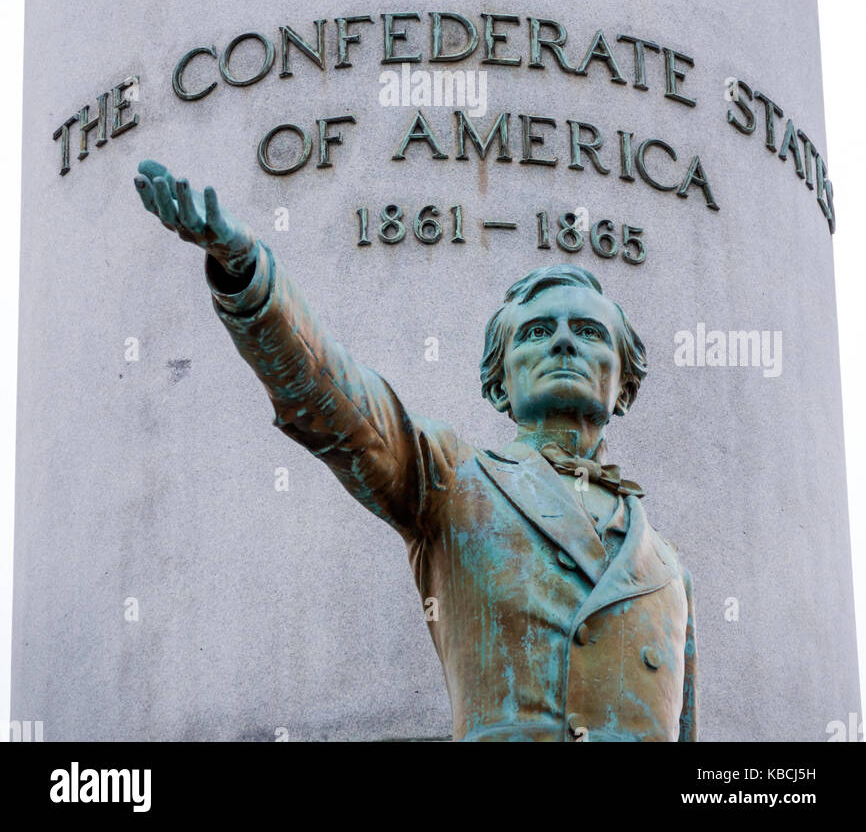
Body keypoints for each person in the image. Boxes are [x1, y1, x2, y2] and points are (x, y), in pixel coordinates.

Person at [134, 159, 698, 742]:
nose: (561, 340)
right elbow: (341, 405)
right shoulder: (455, 479)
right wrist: (249, 278)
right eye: (534, 332)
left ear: (624, 386)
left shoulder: (669, 568)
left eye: (588, 332)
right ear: (498, 383)